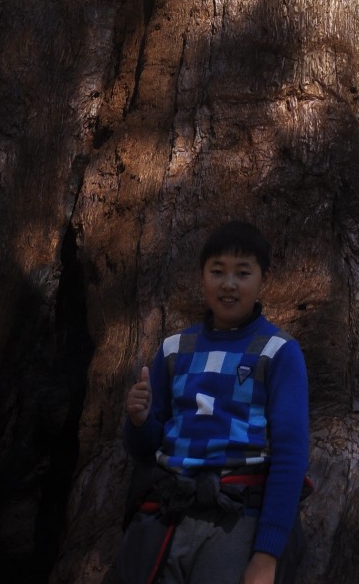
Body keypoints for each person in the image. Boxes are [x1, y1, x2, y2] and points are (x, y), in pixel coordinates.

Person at [116, 220, 310, 584]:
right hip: (169, 513)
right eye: (217, 271)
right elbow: (146, 450)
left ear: (261, 280)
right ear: (202, 276)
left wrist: (266, 555)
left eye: (243, 272)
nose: (229, 284)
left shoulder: (279, 352)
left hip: (240, 517)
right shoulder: (174, 349)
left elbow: (291, 456)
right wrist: (139, 421)